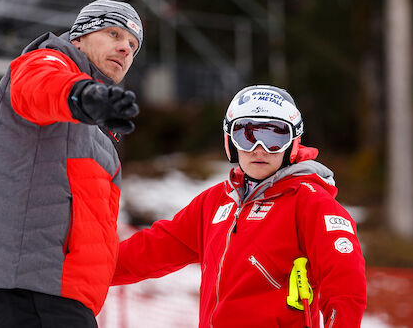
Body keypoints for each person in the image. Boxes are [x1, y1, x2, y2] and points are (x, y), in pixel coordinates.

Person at [0, 0, 144, 328]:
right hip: (22, 291)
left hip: (63, 299)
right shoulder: (45, 61)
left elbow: (95, 239)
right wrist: (82, 96)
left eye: (133, 45)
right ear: (79, 37)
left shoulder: (99, 138)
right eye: (114, 34)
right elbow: (40, 87)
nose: (125, 49)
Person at [112, 85, 367, 327]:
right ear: (229, 141)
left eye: (274, 137)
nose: (259, 149)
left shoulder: (310, 203)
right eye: (247, 136)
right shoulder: (215, 202)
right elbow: (153, 249)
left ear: (292, 143)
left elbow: (345, 286)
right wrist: (84, 272)